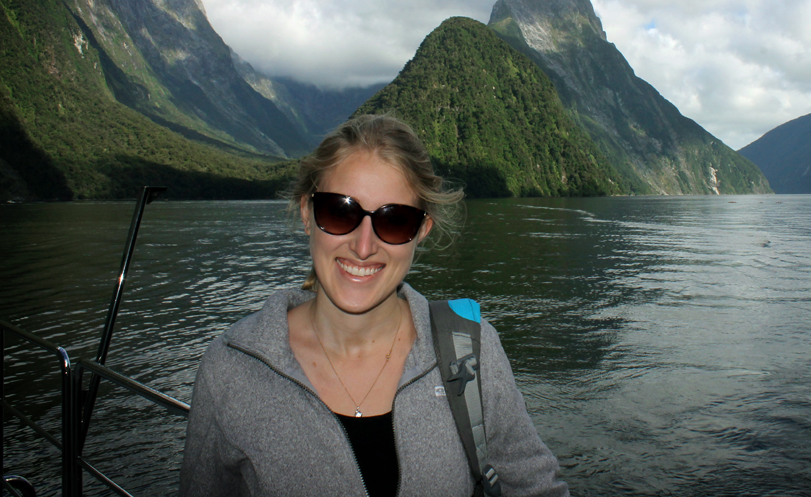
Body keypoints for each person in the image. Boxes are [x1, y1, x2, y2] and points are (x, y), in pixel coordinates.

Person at [180, 114, 569, 496]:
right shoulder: (232, 369)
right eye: (340, 211)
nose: (363, 247)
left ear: (421, 232)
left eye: (395, 220)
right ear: (307, 213)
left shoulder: (473, 352)